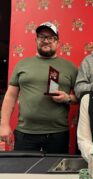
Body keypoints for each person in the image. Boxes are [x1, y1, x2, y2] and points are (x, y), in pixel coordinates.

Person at [0, 22, 78, 153]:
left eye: (51, 38)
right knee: (23, 172)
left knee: (54, 172)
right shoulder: (22, 64)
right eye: (42, 37)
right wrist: (3, 125)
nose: (46, 41)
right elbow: (10, 96)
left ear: (58, 42)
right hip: (25, 133)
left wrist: (67, 98)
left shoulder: (70, 67)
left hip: (57, 134)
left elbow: (80, 98)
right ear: (36, 40)